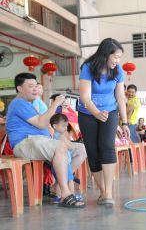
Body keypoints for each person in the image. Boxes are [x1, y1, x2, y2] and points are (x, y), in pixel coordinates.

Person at [6, 73, 86, 208]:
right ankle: (65, 194)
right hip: (25, 142)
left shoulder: (30, 104)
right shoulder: (19, 103)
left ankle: (57, 185)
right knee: (59, 147)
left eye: (36, 86)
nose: (35, 89)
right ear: (19, 88)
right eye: (30, 86)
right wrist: (55, 103)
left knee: (81, 150)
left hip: (40, 141)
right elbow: (41, 123)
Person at [78, 38, 130, 207]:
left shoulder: (118, 71)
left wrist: (125, 123)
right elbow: (85, 96)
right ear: (106, 54)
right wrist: (96, 113)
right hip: (88, 113)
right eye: (115, 57)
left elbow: (120, 97)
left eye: (120, 57)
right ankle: (102, 190)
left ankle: (108, 192)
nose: (117, 60)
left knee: (107, 146)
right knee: (93, 152)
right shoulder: (88, 67)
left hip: (110, 112)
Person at [50, 113, 85, 203]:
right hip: (65, 163)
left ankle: (58, 197)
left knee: (59, 180)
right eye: (63, 126)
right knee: (70, 179)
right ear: (55, 126)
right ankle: (71, 194)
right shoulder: (61, 136)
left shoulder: (54, 136)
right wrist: (74, 146)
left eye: (66, 126)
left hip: (55, 163)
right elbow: (69, 145)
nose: (66, 128)